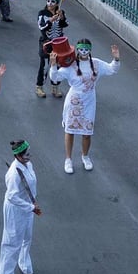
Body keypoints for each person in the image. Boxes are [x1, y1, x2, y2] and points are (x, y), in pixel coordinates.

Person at [49, 39, 120, 173]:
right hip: (74, 101)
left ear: (90, 50)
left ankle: (85, 156)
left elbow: (112, 69)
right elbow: (55, 78)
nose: (84, 52)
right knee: (70, 130)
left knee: (87, 133)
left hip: (89, 102)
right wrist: (53, 65)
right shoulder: (71, 65)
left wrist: (116, 59)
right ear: (77, 50)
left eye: (86, 49)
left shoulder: (97, 64)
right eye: (81, 49)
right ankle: (68, 159)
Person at [0, 140, 40, 274]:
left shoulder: (28, 164)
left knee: (27, 237)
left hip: (28, 206)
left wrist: (31, 205)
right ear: (18, 156)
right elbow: (12, 196)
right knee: (12, 242)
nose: (29, 156)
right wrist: (30, 207)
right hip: (16, 209)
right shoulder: (14, 174)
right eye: (27, 154)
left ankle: (24, 263)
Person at [35, 0, 67, 99]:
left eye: (52, 1)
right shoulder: (42, 13)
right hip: (46, 43)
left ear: (57, 3)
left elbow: (63, 25)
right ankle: (39, 86)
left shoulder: (60, 12)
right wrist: (50, 21)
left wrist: (61, 17)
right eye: (48, 1)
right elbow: (41, 27)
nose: (50, 3)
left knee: (57, 66)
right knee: (44, 66)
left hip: (58, 44)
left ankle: (55, 87)